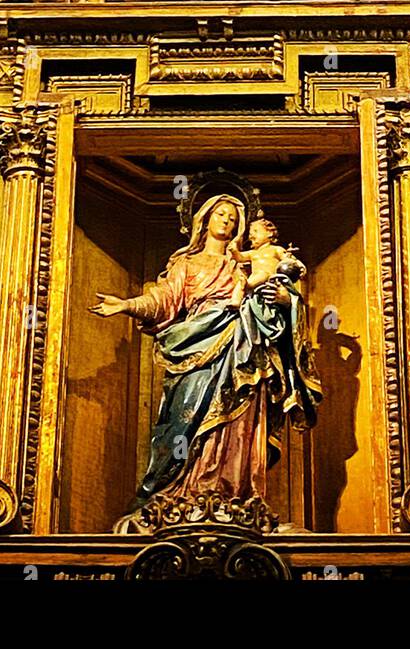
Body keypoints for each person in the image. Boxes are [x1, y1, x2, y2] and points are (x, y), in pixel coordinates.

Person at [91, 192, 321, 513]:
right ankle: (177, 493)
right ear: (205, 219)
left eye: (232, 218)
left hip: (243, 348)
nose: (226, 221)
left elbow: (280, 299)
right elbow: (162, 301)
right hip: (194, 348)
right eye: (220, 214)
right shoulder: (187, 264)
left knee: (239, 418)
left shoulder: (249, 262)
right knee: (186, 414)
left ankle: (232, 494)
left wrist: (287, 300)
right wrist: (127, 305)